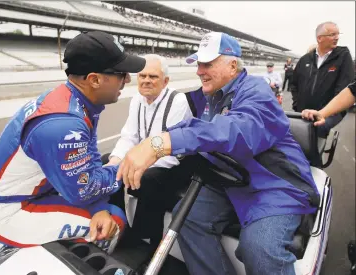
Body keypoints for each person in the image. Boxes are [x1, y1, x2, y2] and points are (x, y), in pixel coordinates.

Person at [116, 31, 320, 275]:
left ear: (232, 65)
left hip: (273, 187)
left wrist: (161, 144)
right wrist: (153, 143)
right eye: (198, 64)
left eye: (207, 64)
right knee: (186, 217)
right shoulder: (213, 96)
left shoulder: (256, 91)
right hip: (229, 181)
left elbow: (237, 130)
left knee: (259, 248)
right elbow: (195, 128)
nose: (199, 71)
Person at [0, 31, 146, 253]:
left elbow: (90, 162)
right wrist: (126, 167)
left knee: (103, 207)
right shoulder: (65, 124)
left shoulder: (74, 100)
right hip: (9, 210)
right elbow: (84, 189)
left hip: (41, 192)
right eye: (121, 73)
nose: (127, 80)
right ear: (94, 79)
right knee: (114, 220)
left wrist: (97, 205)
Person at [104, 54, 194, 249]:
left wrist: (137, 166)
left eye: (152, 77)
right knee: (108, 164)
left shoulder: (178, 101)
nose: (146, 80)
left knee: (149, 178)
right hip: (145, 157)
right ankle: (118, 222)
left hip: (173, 161)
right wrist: (116, 160)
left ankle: (145, 240)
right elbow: (129, 136)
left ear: (165, 81)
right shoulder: (137, 99)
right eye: (142, 76)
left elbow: (172, 152)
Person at [291, 21, 355, 137]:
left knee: (315, 140)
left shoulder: (343, 56)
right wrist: (297, 105)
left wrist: (329, 112)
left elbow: (345, 86)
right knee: (298, 142)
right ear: (319, 38)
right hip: (303, 113)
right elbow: (294, 84)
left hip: (330, 114)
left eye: (338, 34)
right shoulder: (305, 59)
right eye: (332, 35)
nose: (337, 37)